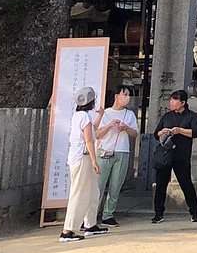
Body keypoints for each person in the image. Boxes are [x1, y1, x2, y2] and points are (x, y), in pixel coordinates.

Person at [59, 86, 105, 242]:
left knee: (93, 191)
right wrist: (94, 161)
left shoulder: (80, 116)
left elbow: (92, 131)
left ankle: (90, 224)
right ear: (91, 102)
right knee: (79, 193)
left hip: (81, 157)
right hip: (82, 157)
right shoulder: (84, 117)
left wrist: (100, 116)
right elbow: (89, 139)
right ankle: (67, 230)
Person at [152, 89, 197, 224]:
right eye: (171, 100)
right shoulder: (167, 116)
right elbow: (156, 134)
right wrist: (161, 132)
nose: (171, 102)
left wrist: (180, 131)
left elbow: (196, 132)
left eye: (174, 100)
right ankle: (158, 213)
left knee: (186, 184)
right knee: (161, 184)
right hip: (165, 155)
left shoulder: (191, 116)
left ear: (183, 102)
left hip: (182, 155)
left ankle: (194, 212)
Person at [94, 85, 138, 226]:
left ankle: (108, 214)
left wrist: (126, 128)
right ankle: (91, 215)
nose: (127, 98)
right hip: (104, 151)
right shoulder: (105, 113)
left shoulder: (129, 114)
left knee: (116, 185)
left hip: (122, 151)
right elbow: (97, 134)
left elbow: (135, 134)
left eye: (128, 95)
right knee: (99, 186)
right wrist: (109, 125)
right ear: (116, 96)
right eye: (124, 94)